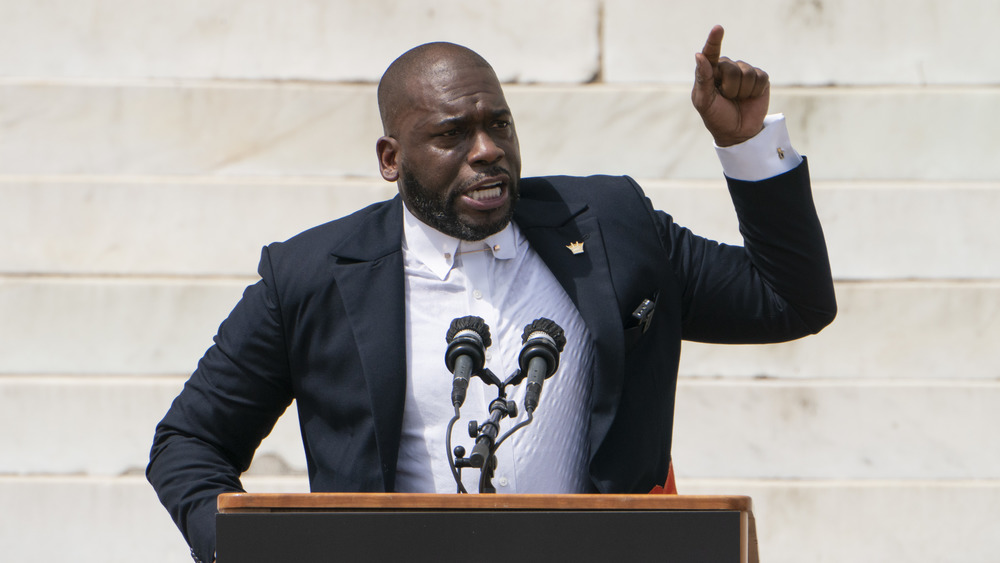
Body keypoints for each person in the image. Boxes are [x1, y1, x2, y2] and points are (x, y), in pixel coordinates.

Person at [148, 25, 836, 562]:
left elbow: (787, 299)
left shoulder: (612, 227)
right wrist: (251, 549)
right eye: (451, 134)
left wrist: (745, 147)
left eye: (498, 125)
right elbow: (189, 441)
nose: (487, 150)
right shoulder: (310, 275)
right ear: (392, 158)